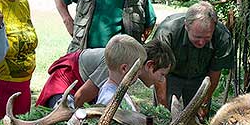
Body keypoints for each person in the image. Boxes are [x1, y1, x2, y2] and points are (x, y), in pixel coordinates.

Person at [36, 37, 174, 109]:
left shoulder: (129, 66)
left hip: (79, 85)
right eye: (162, 74)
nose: (161, 80)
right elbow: (80, 97)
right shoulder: (118, 63)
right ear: (150, 66)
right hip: (66, 83)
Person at [153, 1, 233, 120]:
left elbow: (215, 72)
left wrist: (204, 101)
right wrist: (163, 105)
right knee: (163, 118)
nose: (201, 42)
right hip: (169, 75)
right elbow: (158, 72)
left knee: (198, 119)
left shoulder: (222, 37)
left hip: (201, 78)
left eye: (207, 38)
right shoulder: (167, 32)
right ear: (186, 25)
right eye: (197, 37)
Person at [95, 35, 146, 105]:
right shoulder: (109, 99)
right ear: (124, 68)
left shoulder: (119, 90)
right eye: (138, 69)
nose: (140, 73)